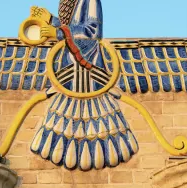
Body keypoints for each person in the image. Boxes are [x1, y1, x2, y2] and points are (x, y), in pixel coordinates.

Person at [30, 0, 138, 171]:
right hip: (70, 74)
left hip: (90, 73)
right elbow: (73, 26)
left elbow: (91, 31)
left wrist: (57, 33)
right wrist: (51, 19)